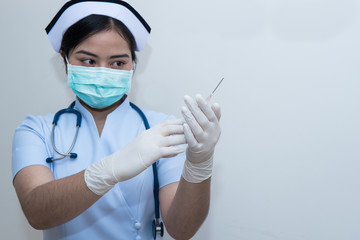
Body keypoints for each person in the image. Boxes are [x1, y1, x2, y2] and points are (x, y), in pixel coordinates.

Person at [12, 0, 222, 239]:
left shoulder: (162, 130)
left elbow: (182, 229)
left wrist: (200, 162)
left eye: (118, 63)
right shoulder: (36, 130)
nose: (104, 72)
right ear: (65, 59)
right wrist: (109, 170)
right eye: (88, 61)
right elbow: (36, 212)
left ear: (133, 65)